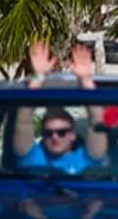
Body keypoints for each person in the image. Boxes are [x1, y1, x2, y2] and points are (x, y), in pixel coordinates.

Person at [13, 41, 107, 174]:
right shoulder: (32, 157)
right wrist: (38, 76)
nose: (55, 137)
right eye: (48, 133)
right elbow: (23, 117)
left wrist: (86, 80)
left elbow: (97, 119)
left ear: (72, 135)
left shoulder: (86, 159)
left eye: (61, 132)